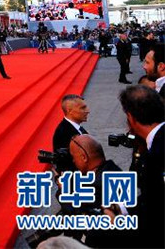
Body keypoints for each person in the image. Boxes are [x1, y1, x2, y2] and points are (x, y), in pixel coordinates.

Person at [117, 85, 164, 248]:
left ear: (131, 118)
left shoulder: (157, 151)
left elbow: (156, 205)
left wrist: (119, 216)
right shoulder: (155, 143)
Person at [67, 135, 130, 248]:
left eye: (73, 157)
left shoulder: (97, 188)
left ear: (84, 157)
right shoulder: (113, 170)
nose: (73, 161)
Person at [51, 94, 89, 174]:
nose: (88, 111)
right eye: (83, 108)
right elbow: (65, 166)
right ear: (70, 111)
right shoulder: (63, 133)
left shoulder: (77, 128)